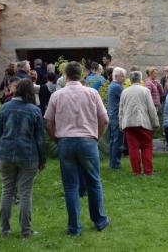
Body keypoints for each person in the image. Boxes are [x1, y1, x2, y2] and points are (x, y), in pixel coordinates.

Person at [44, 61, 111, 235]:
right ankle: (99, 220)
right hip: (88, 140)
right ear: (81, 75)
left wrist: (56, 139)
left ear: (65, 75)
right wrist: (96, 136)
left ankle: (74, 227)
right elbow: (104, 119)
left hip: (65, 141)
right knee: (94, 182)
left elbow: (48, 122)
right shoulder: (92, 93)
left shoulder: (57, 95)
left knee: (70, 186)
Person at [0, 78, 47, 238]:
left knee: (7, 191)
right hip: (27, 155)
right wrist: (42, 159)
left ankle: (5, 230)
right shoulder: (34, 110)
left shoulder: (5, 107)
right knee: (25, 193)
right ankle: (25, 231)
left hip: (5, 153)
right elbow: (40, 138)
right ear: (30, 92)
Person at [119, 71, 160, 175]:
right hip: (144, 122)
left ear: (131, 79)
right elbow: (151, 108)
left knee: (133, 148)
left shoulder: (125, 91)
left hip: (128, 123)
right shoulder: (145, 91)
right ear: (140, 79)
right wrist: (155, 123)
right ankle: (148, 171)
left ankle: (136, 171)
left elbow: (121, 110)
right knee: (147, 146)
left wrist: (121, 124)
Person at [107, 67, 127, 170]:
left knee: (113, 141)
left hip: (113, 116)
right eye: (122, 76)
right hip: (117, 117)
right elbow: (126, 99)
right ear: (116, 76)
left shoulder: (113, 85)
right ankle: (115, 163)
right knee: (117, 141)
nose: (124, 78)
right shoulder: (117, 87)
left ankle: (112, 162)